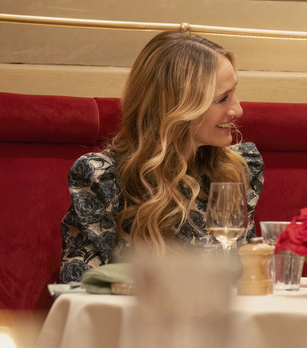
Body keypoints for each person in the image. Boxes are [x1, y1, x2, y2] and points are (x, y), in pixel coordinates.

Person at [60, 30, 264, 283]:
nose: (238, 109)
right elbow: (80, 288)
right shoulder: (103, 178)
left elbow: (246, 278)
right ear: (176, 108)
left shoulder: (237, 168)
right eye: (222, 99)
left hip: (222, 320)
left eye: (234, 93)